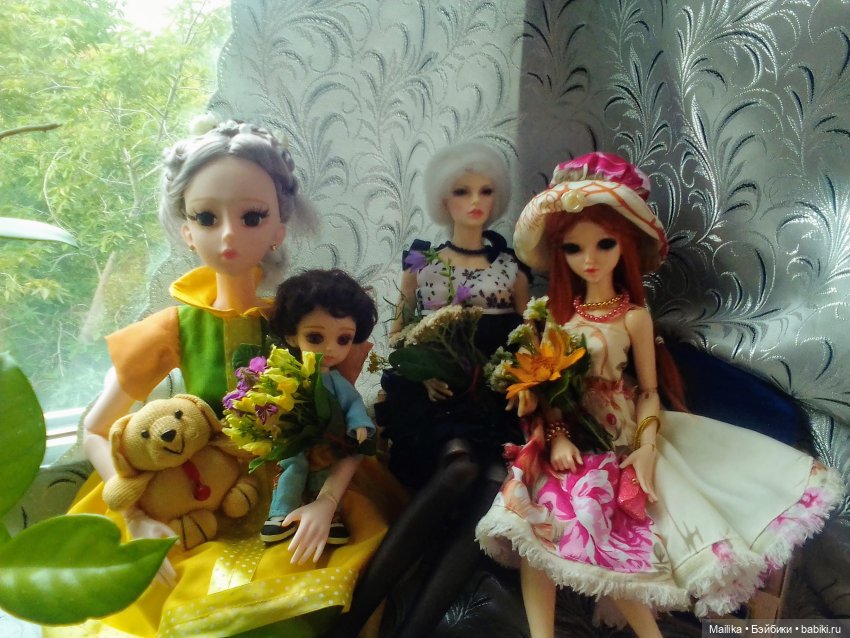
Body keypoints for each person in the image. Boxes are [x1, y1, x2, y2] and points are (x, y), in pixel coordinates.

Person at [53, 118, 404, 638]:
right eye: (206, 217)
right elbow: (96, 429)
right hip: (193, 492)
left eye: (252, 216)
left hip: (289, 484)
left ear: (278, 228)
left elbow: (340, 424)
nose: (229, 235)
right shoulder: (172, 329)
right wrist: (136, 514)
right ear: (186, 229)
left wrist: (326, 498)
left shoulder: (297, 325)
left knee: (320, 584)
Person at [475, 152, 845, 638]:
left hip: (620, 441)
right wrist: (556, 431)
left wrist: (646, 448)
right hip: (572, 447)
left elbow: (649, 391)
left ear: (625, 247)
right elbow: (552, 390)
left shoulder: (633, 317)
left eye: (604, 244)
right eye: (573, 248)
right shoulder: (558, 319)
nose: (589, 259)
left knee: (615, 541)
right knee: (533, 532)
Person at [330, 141, 531, 638]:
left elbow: (529, 337)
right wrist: (426, 372)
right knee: (460, 466)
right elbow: (398, 333)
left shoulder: (511, 268)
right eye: (462, 191)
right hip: (435, 398)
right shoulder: (422, 262)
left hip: (497, 397)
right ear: (444, 198)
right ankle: (351, 619)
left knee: (492, 486)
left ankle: (413, 629)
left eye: (485, 191)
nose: (475, 201)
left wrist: (519, 382)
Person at [259, 268, 378, 546]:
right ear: (292, 336)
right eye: (315, 338)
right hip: (294, 442)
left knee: (323, 470)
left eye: (343, 339)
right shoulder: (287, 374)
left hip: (328, 443)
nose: (331, 349)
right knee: (292, 467)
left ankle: (330, 516)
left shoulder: (336, 382)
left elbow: (352, 403)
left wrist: (359, 425)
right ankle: (280, 513)